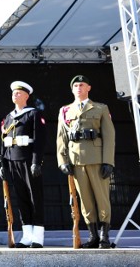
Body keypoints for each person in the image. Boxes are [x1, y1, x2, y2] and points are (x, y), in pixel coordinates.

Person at [57, 75, 115, 249]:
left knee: (102, 198)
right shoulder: (65, 111)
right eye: (75, 85)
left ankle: (104, 235)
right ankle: (93, 235)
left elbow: (109, 136)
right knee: (85, 200)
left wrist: (108, 161)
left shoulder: (100, 108)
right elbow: (62, 137)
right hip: (76, 161)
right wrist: (63, 160)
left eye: (82, 85)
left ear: (88, 87)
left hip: (97, 159)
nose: (79, 88)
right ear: (72, 89)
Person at [0, 81, 46, 248]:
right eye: (13, 93)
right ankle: (26, 235)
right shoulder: (8, 118)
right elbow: (5, 143)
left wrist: (36, 162)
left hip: (28, 160)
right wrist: (3, 165)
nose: (15, 95)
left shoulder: (33, 114)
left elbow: (39, 141)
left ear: (27, 96)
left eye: (19, 93)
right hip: (13, 161)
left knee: (34, 197)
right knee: (21, 198)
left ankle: (38, 236)